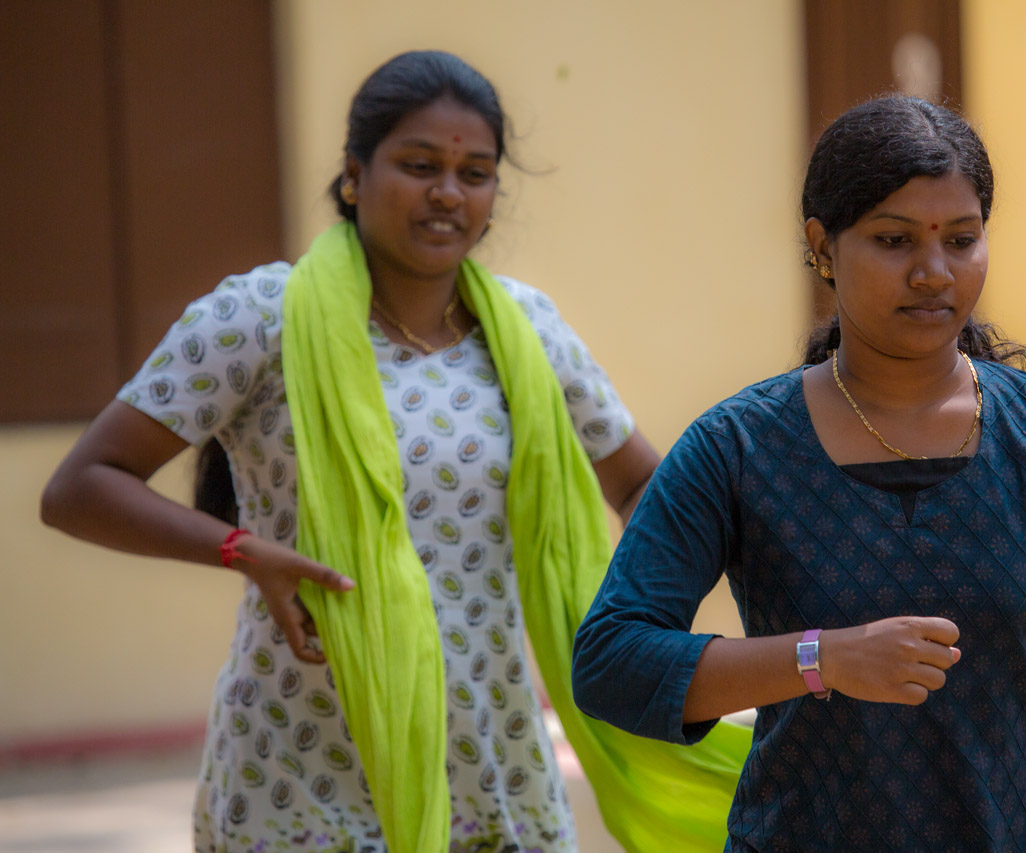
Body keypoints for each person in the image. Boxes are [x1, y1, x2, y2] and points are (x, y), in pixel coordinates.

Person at [41, 50, 747, 853]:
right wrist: (243, 551)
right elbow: (81, 486)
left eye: (474, 173)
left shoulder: (527, 332)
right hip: (300, 765)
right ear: (354, 175)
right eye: (419, 165)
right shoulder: (260, 317)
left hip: (492, 761)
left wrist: (685, 624)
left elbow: (646, 491)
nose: (448, 192)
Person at [571, 94, 1026, 851]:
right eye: (894, 240)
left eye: (962, 239)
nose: (933, 272)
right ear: (822, 246)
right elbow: (612, 659)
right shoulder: (739, 447)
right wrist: (822, 657)